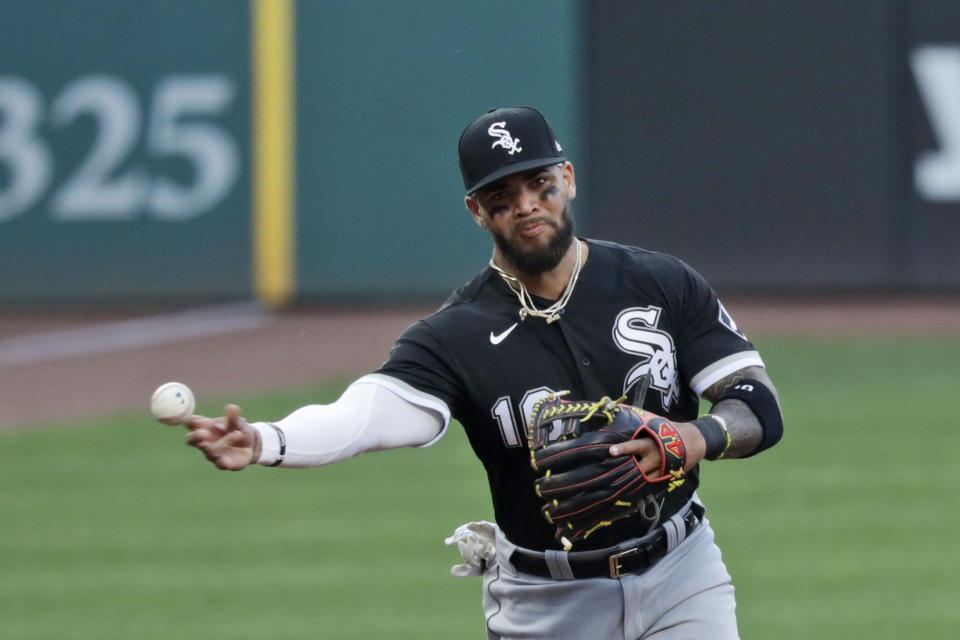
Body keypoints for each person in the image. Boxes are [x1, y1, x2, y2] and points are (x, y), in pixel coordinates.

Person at [185, 106, 783, 639]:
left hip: (682, 573)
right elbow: (368, 414)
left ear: (567, 180)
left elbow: (758, 405)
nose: (526, 205)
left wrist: (690, 439)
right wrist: (268, 439)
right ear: (476, 210)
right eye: (502, 195)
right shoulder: (456, 333)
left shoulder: (660, 282)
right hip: (548, 603)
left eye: (540, 184)